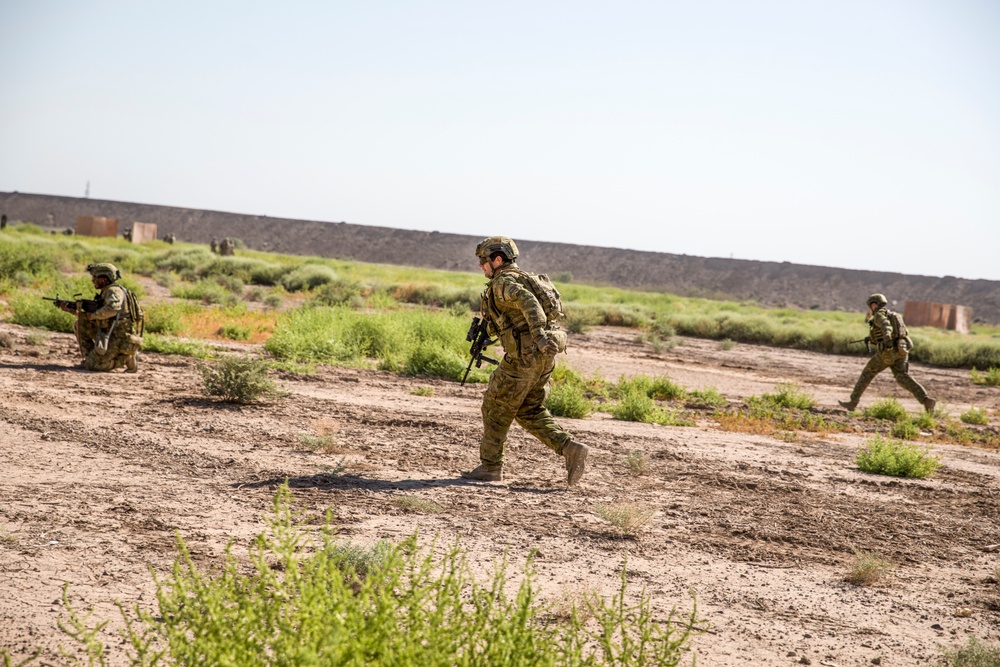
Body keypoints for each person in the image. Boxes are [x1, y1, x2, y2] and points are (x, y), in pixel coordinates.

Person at [461, 236, 589, 486]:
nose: (481, 266)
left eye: (483, 261)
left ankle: (490, 467)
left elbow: (530, 304)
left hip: (523, 359)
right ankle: (570, 448)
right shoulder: (524, 278)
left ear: (498, 260)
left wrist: (539, 336)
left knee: (495, 407)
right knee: (529, 410)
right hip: (542, 360)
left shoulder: (503, 282)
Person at [839, 293, 936, 412]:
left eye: (870, 306)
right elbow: (898, 332)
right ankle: (926, 400)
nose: (870, 309)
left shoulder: (879, 315)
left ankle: (853, 402)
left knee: (867, 373)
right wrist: (872, 338)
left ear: (874, 305)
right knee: (902, 377)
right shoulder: (895, 315)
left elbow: (886, 327)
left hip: (887, 353)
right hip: (901, 351)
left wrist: (887, 338)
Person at [56, 263, 143, 372]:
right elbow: (94, 317)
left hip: (118, 337)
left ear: (104, 279)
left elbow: (112, 308)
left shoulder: (114, 291)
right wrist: (71, 310)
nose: (93, 280)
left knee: (94, 366)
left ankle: (124, 359)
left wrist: (93, 315)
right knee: (81, 323)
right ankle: (90, 358)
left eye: (95, 277)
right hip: (108, 332)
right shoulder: (106, 292)